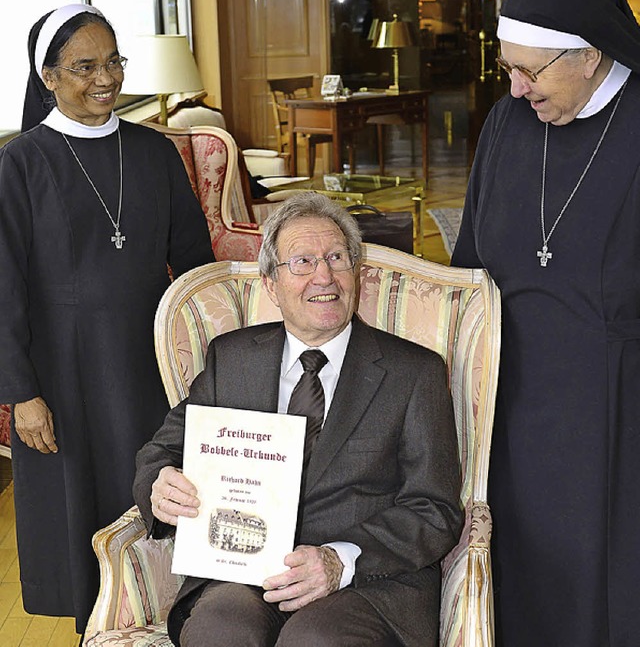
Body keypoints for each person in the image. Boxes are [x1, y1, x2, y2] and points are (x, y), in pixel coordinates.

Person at [133, 193, 463, 647]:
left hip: (367, 582)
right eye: (302, 261)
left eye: (336, 258)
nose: (323, 276)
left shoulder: (415, 373)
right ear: (270, 283)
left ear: (357, 273)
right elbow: (163, 450)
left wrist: (339, 559)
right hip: (243, 571)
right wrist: (161, 484)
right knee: (220, 631)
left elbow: (436, 508)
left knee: (314, 641)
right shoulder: (232, 359)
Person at [0, 4, 213, 633]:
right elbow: (2, 288)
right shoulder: (21, 162)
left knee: (155, 502)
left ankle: (165, 627)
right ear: (48, 77)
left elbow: (197, 266)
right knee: (80, 519)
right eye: (84, 66)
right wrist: (21, 395)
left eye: (114, 61)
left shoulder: (153, 152)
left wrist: (212, 364)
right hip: (62, 380)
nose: (105, 78)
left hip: (150, 368)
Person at [451, 0, 640, 645]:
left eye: (530, 71)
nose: (516, 87)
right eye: (507, 68)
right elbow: (468, 267)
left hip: (616, 420)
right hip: (508, 408)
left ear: (589, 56)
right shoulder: (507, 124)